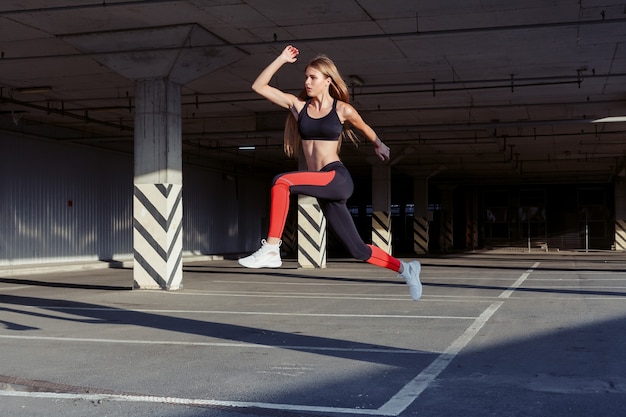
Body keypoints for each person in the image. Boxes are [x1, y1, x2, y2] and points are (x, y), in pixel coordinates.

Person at [238, 45, 422, 301]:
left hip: (336, 178)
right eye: (305, 77)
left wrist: (378, 143)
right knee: (359, 250)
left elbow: (364, 127)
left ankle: (271, 248)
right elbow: (259, 86)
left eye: (313, 77)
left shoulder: (341, 110)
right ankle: (406, 269)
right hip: (323, 187)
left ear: (328, 81)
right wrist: (281, 59)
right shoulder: (298, 106)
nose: (307, 82)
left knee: (282, 181)